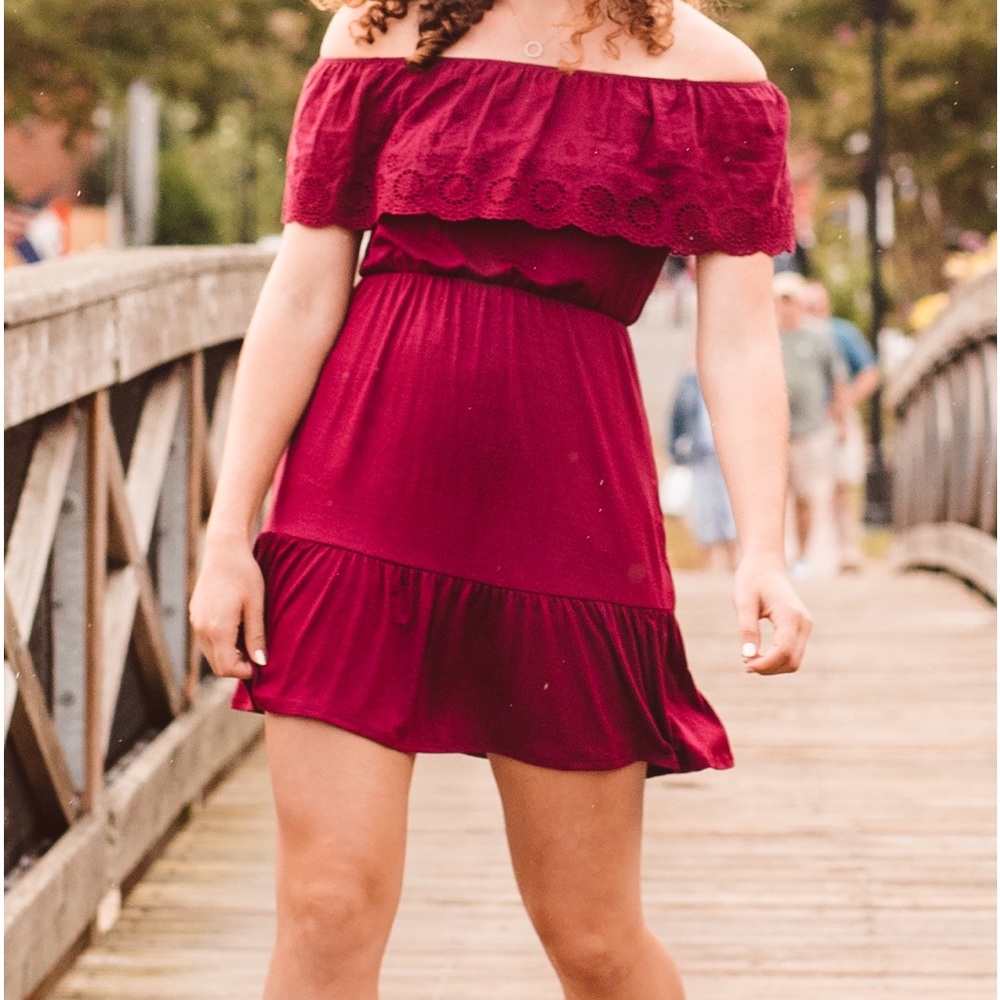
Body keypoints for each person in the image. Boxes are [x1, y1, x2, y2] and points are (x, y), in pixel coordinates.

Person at [189, 2, 813, 997]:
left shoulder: (709, 73)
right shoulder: (376, 34)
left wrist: (762, 550)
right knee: (327, 906)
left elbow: (738, 341)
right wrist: (228, 535)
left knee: (594, 939)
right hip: (353, 504)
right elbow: (304, 289)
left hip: (573, 527)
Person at [773, 271, 848, 576]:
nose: (785, 306)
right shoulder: (766, 335)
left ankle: (801, 556)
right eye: (781, 300)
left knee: (804, 496)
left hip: (809, 430)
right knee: (773, 499)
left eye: (791, 300)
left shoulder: (819, 336)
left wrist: (841, 421)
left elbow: (837, 381)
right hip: (773, 433)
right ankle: (773, 557)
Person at [802, 280, 880, 572]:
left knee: (842, 485)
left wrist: (844, 403)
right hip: (803, 423)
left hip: (836, 420)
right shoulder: (789, 334)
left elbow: (870, 373)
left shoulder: (841, 333)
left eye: (818, 305)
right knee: (808, 488)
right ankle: (811, 553)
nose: (813, 311)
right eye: (808, 305)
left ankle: (846, 548)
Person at [667, 369, 739, 572]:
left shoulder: (732, 379)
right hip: (700, 454)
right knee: (705, 508)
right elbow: (675, 418)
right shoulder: (689, 383)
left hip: (730, 453)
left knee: (731, 507)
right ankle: (709, 562)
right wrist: (675, 449)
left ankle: (733, 559)